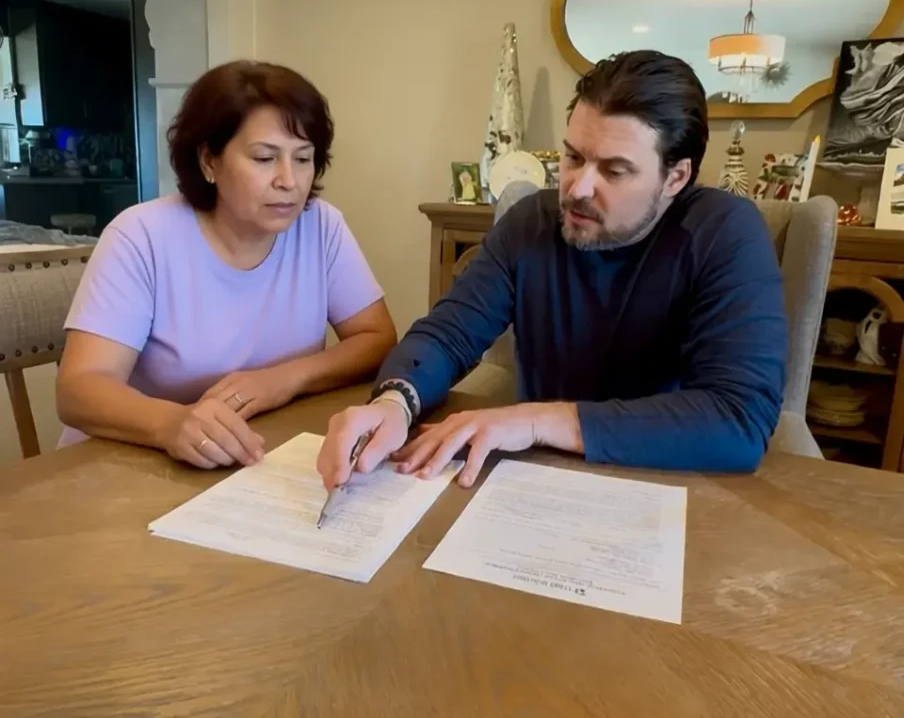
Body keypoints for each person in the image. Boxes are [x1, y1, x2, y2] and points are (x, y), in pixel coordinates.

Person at [317, 50, 787, 491]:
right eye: (574, 157)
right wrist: (395, 402)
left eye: (615, 170)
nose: (578, 188)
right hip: (537, 479)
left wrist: (535, 420)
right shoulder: (531, 223)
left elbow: (736, 419)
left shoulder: (725, 233)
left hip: (671, 481)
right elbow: (448, 335)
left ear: (676, 178)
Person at [57, 60, 397, 468]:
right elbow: (79, 389)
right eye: (264, 158)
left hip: (250, 455)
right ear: (208, 161)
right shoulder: (142, 236)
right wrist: (171, 423)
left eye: (303, 159)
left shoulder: (320, 226)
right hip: (123, 464)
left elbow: (377, 338)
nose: (289, 180)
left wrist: (283, 380)